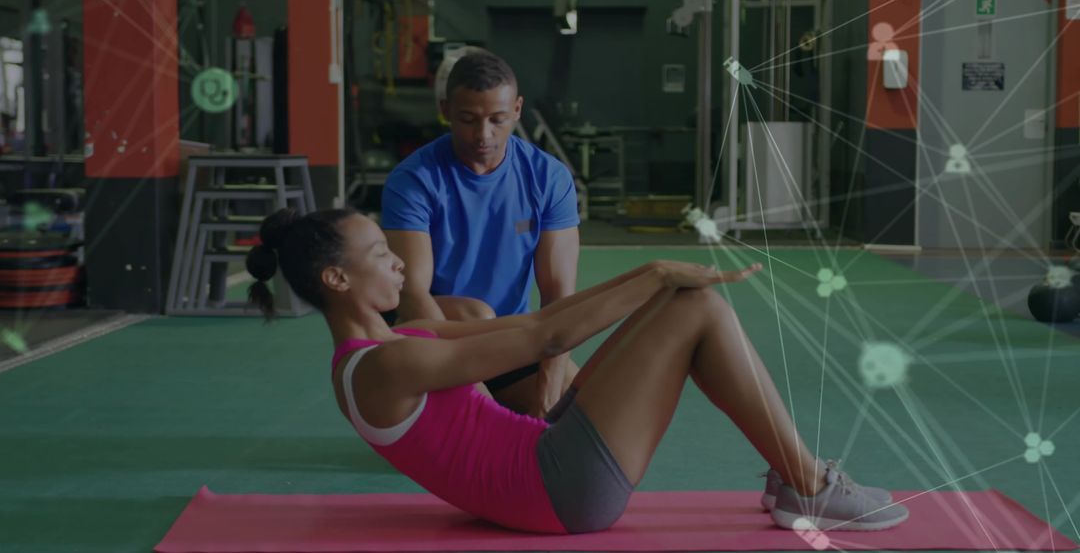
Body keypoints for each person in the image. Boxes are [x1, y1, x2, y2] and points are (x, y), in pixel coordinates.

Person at [245, 207, 910, 534]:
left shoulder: (405, 339)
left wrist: (648, 281)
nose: (397, 264)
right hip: (560, 494)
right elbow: (545, 336)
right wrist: (654, 272)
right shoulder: (385, 369)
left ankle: (799, 477)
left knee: (681, 301)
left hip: (547, 458)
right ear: (336, 278)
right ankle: (807, 483)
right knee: (696, 306)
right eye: (380, 254)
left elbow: (525, 323)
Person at [380, 50, 579, 418]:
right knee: (477, 315)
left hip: (510, 339)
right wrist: (480, 408)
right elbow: (413, 298)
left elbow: (559, 299)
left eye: (497, 119)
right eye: (468, 119)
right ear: (445, 110)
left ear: (517, 109)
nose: (483, 135)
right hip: (432, 344)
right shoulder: (414, 180)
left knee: (584, 412)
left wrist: (547, 401)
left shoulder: (548, 178)